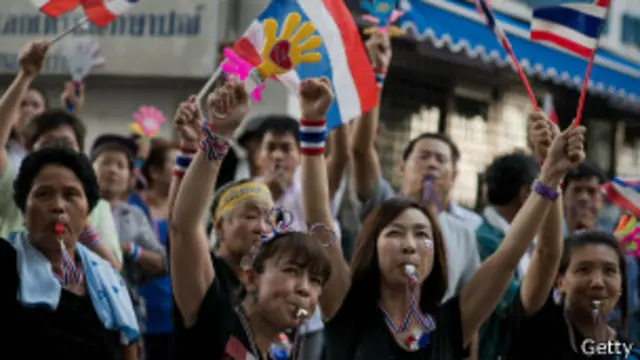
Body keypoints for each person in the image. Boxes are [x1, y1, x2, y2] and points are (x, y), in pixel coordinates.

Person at [325, 119, 587, 359]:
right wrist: (316, 127)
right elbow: (318, 218)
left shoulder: (451, 323)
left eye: (422, 235)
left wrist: (551, 175)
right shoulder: (347, 311)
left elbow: (509, 255)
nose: (410, 245)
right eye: (395, 233)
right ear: (371, 247)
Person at [170, 77, 349, 359]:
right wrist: (218, 136)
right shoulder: (214, 308)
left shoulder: (285, 347)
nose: (304, 289)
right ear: (253, 277)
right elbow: (182, 227)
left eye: (315, 280)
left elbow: (321, 222)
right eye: (291, 271)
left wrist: (316, 125)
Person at [350, 31, 480, 302]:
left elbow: (468, 308)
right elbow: (360, 151)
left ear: (454, 175)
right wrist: (376, 75)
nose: (431, 164)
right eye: (423, 156)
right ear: (401, 166)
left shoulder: (465, 235)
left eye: (440, 159)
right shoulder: (382, 207)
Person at [0, 146, 139, 359]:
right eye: (44, 194)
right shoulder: (6, 263)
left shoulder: (111, 283)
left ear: (87, 212)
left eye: (70, 194)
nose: (58, 206)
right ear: (23, 210)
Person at [0, 108, 121, 267]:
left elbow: (113, 268)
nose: (58, 206)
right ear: (29, 150)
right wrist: (23, 81)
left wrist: (84, 228)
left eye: (67, 143)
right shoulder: (12, 187)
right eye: (43, 194)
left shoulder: (98, 207)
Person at [90, 134, 169, 338]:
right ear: (90, 170)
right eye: (106, 162)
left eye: (120, 165)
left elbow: (162, 263)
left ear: (130, 178)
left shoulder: (134, 215)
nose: (113, 170)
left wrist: (131, 250)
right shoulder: (78, 209)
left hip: (125, 310)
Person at [476, 149, 540, 360]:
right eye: (544, 192)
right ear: (526, 195)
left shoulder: (527, 239)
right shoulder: (486, 241)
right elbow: (518, 304)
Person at [128, 138, 177, 360]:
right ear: (155, 172)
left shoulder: (185, 209)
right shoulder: (132, 206)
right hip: (137, 308)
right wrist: (139, 159)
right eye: (175, 163)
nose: (183, 169)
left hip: (174, 313)